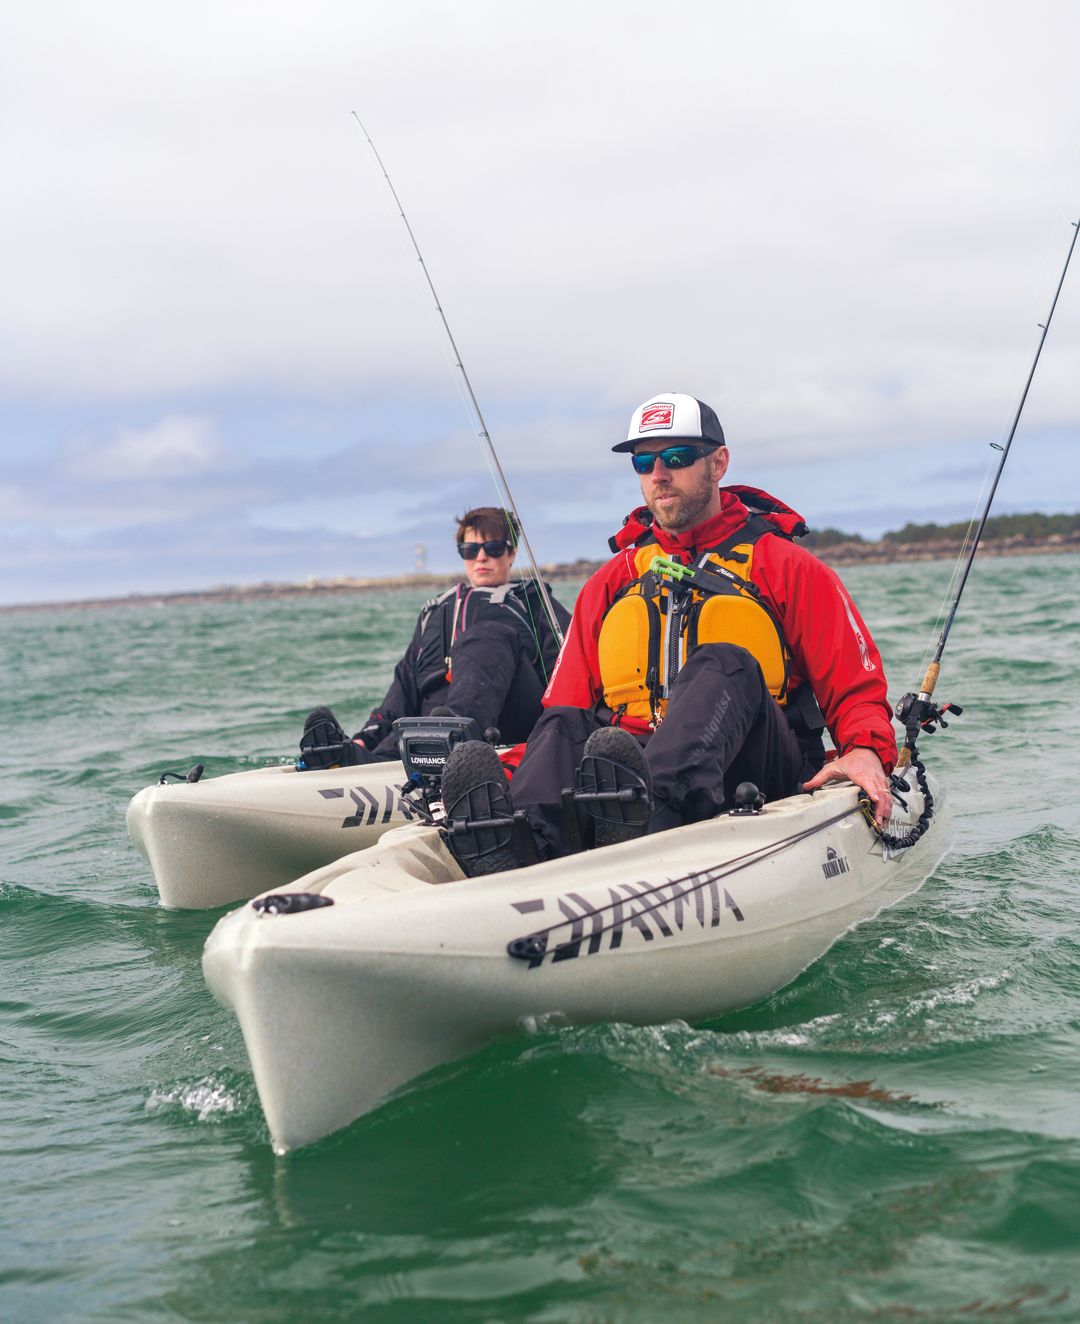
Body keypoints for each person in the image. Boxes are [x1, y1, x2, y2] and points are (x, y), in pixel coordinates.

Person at [439, 393, 897, 876]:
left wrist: (866, 749)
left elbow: (855, 685)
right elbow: (566, 708)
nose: (659, 473)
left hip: (757, 768)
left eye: (677, 458)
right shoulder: (612, 580)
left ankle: (647, 822)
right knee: (564, 723)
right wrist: (511, 768)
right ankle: (525, 846)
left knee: (727, 661)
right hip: (621, 774)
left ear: (718, 463)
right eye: (644, 461)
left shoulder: (784, 566)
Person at [299, 506, 571, 768]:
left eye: (493, 548)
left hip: (507, 722)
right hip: (431, 727)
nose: (481, 557)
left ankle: (446, 740)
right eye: (470, 550)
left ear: (511, 553)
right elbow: (403, 691)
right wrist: (364, 740)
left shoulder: (536, 604)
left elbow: (570, 674)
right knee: (418, 709)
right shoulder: (435, 611)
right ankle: (359, 758)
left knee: (486, 636)